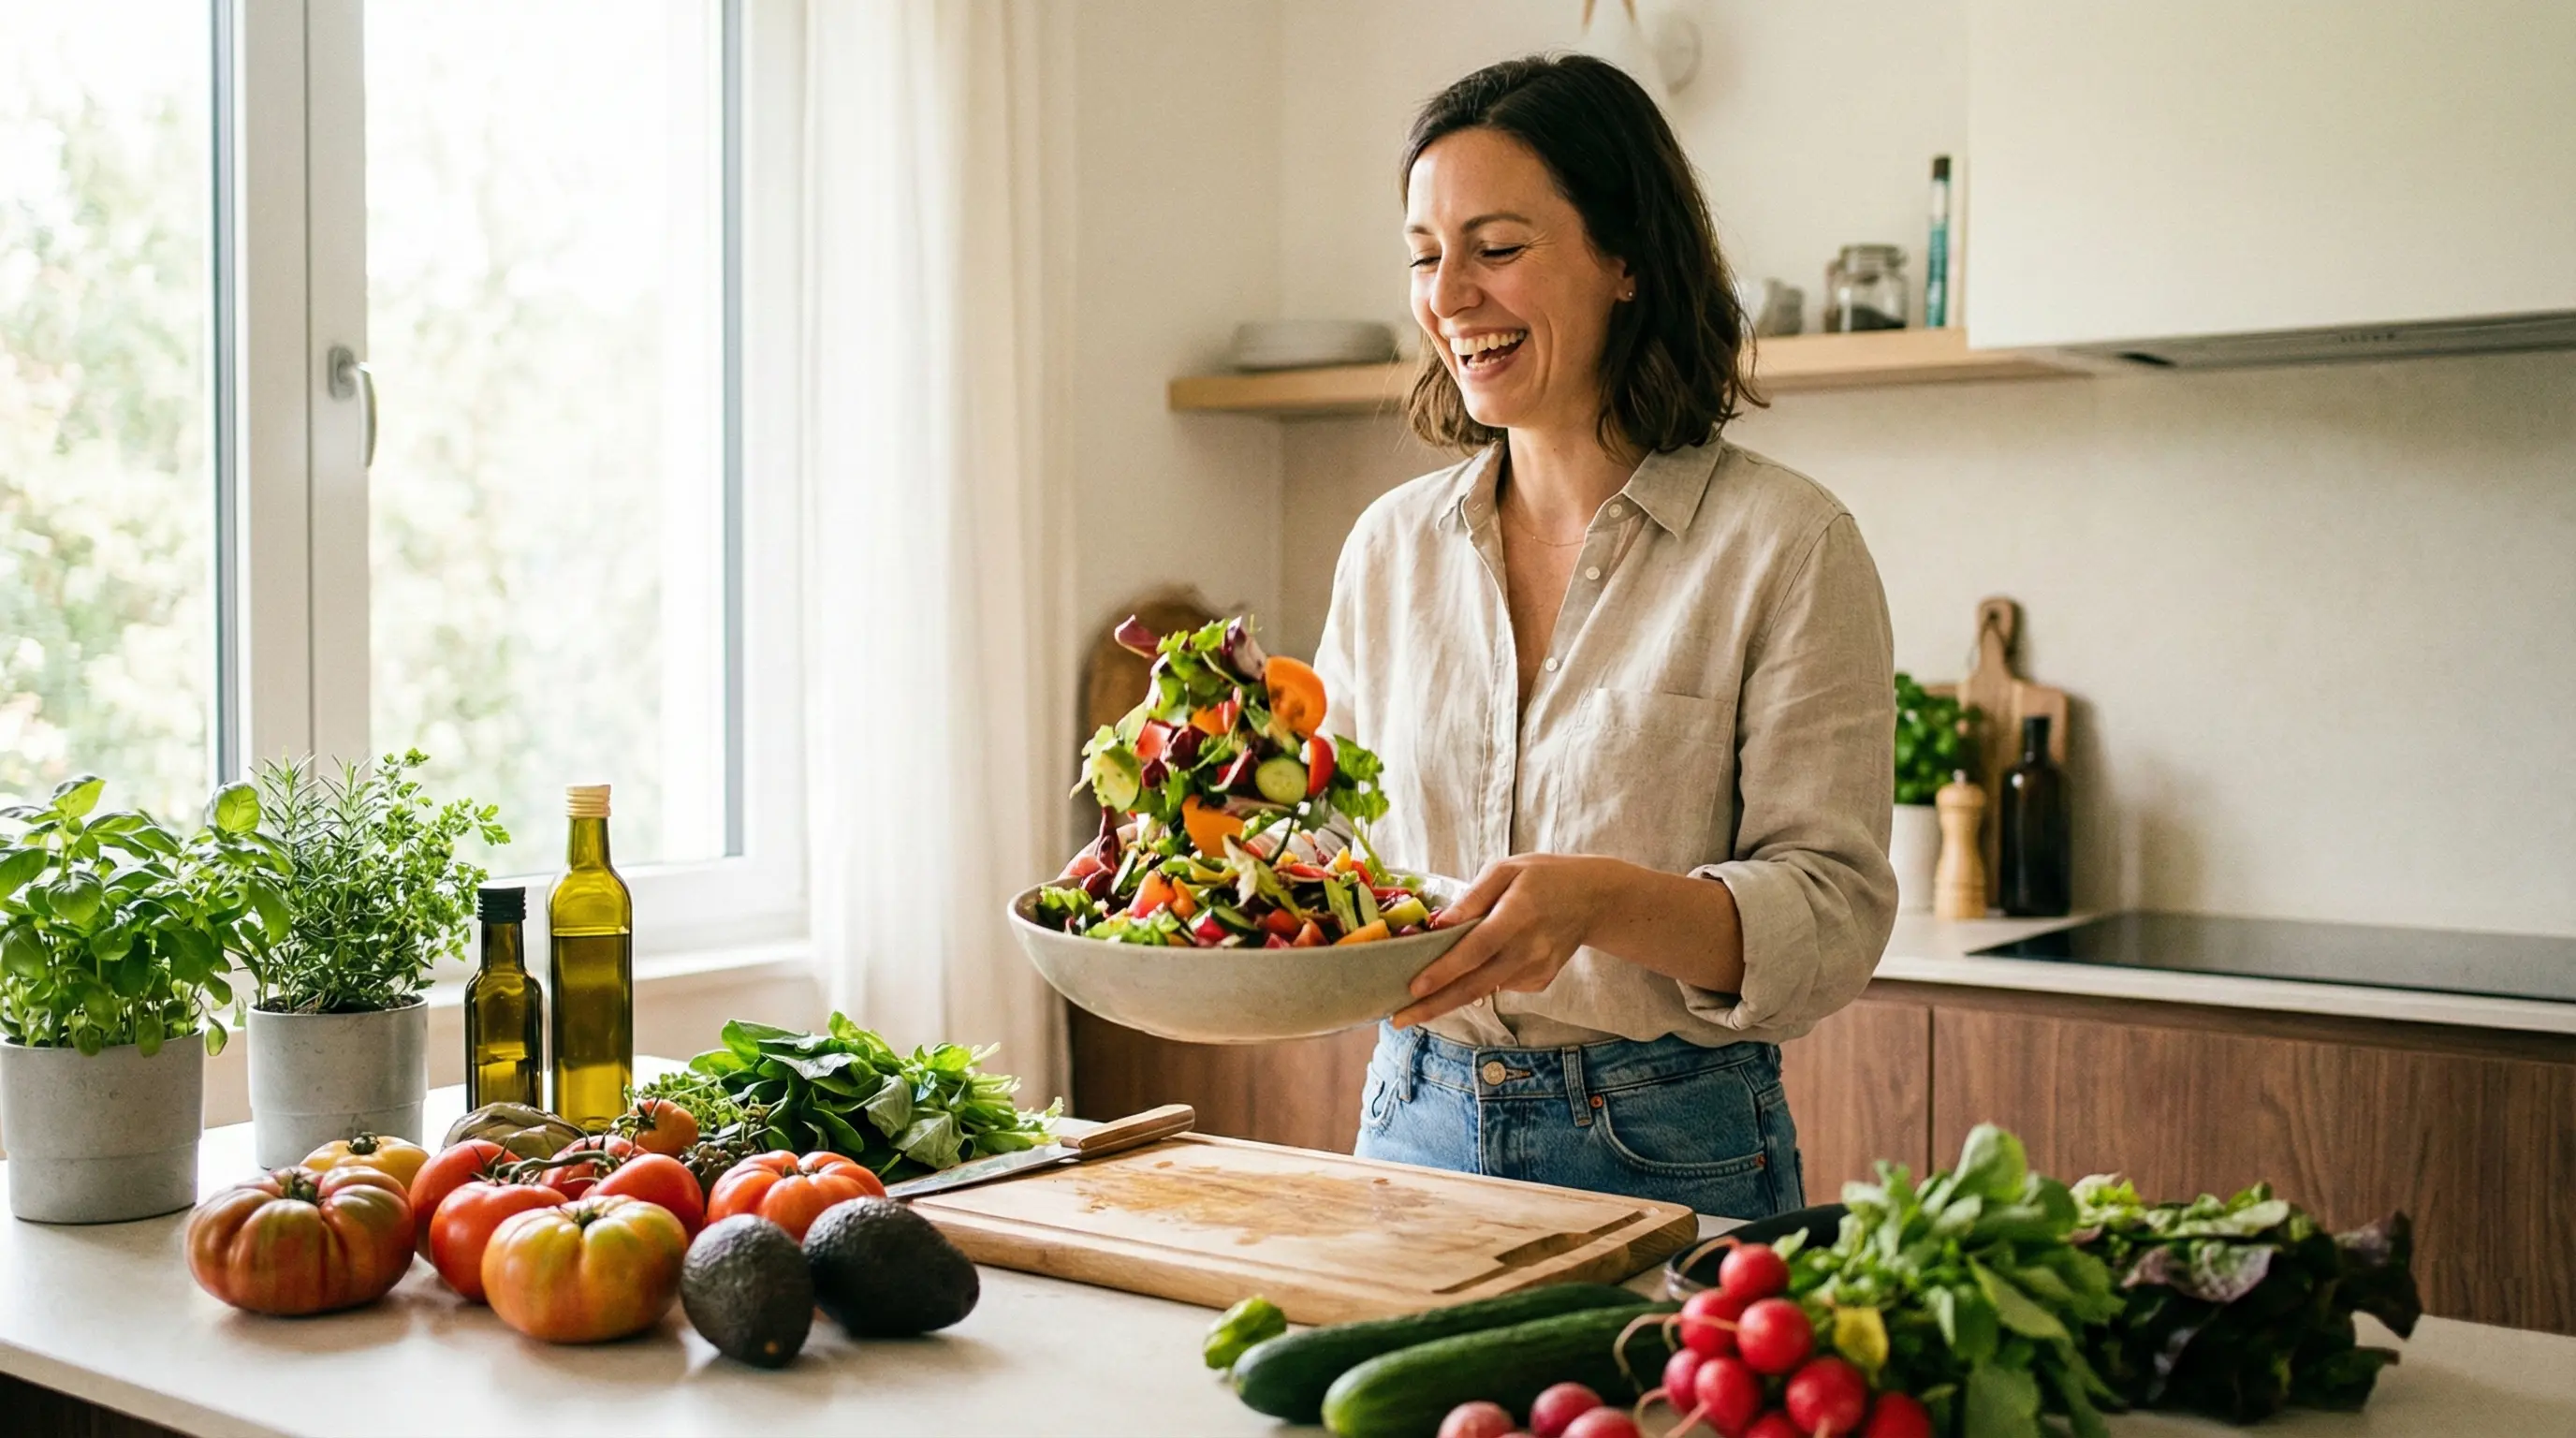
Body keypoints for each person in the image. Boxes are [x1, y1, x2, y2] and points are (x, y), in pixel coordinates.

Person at [1313, 54, 1896, 1218]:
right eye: (1427, 257)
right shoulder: (1390, 549)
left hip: (1668, 1143)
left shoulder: (1786, 544)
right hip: (1405, 1118)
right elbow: (1325, 846)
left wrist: (1604, 904)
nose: (1450, 295)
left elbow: (1831, 914)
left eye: (1498, 247)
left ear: (1625, 259)